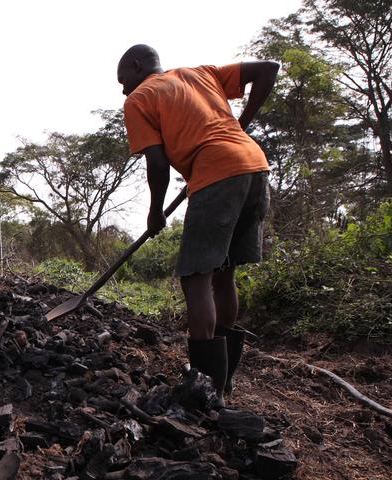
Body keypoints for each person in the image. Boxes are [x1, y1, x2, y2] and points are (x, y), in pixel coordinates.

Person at [116, 44, 279, 400]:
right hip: (255, 166)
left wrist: (155, 210)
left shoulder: (139, 99)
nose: (123, 89)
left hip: (217, 175)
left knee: (196, 278)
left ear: (137, 65)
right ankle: (222, 382)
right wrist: (242, 125)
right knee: (224, 274)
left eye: (122, 79)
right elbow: (268, 69)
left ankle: (205, 386)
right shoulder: (202, 73)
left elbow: (157, 165)